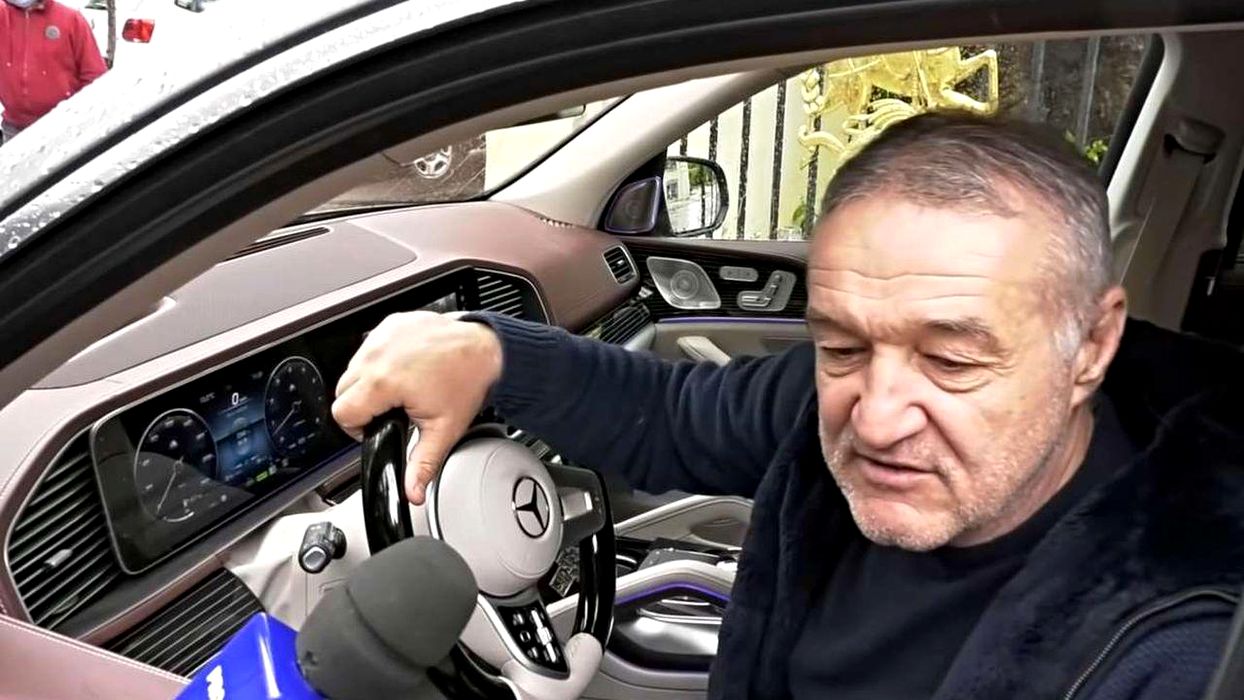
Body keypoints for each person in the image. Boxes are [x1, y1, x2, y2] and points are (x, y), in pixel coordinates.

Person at [332, 112, 1244, 699]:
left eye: (953, 359)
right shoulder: (824, 406)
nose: (874, 418)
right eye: (841, 345)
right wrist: (489, 353)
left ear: (1090, 348)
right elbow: (673, 415)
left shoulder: (1185, 645)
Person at [0, 0, 107, 143]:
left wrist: (82, 119)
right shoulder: (3, 17)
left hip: (62, 130)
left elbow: (95, 78)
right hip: (15, 128)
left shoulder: (70, 19)